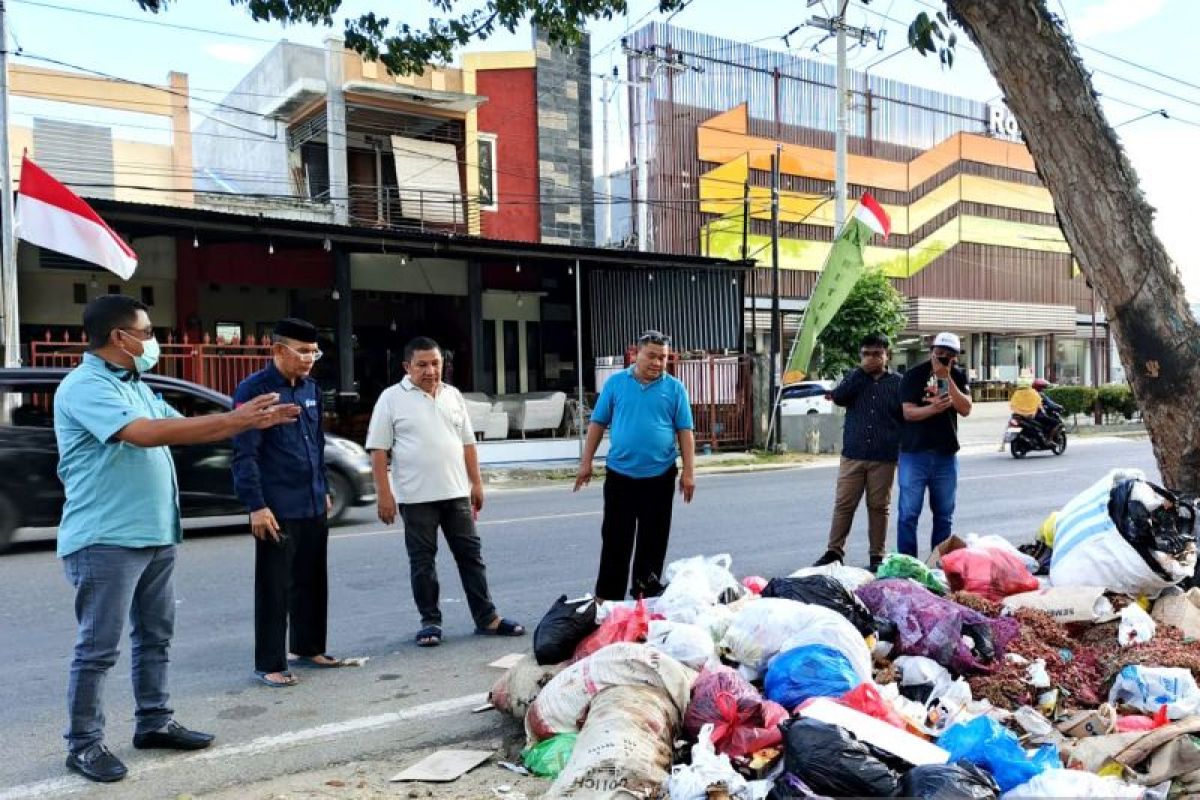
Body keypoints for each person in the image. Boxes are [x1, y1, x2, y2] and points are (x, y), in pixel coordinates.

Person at [53, 295, 299, 783]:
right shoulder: (84, 387)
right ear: (120, 337)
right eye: (146, 332)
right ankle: (83, 744)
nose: (152, 341)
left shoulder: (134, 383)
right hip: (106, 537)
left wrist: (244, 422)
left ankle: (154, 721)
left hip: (154, 531)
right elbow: (144, 433)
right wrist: (235, 420)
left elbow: (179, 427)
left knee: (156, 635)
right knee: (98, 647)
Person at [365, 336, 524, 647]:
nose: (430, 370)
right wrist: (384, 494)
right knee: (423, 563)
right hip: (416, 498)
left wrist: (476, 483)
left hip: (456, 494)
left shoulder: (452, 395)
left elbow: (467, 443)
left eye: (435, 363)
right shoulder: (391, 399)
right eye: (422, 364)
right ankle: (430, 623)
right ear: (406, 367)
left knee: (471, 557)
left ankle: (487, 618)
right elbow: (379, 450)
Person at [232, 318, 346, 689]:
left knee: (313, 579)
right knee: (274, 586)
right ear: (278, 350)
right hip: (276, 506)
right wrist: (256, 505)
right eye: (303, 351)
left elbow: (316, 443)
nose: (310, 358)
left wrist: (324, 487)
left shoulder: (311, 387)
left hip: (312, 499)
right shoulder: (255, 391)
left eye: (315, 352)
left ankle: (309, 646)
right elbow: (245, 454)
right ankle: (269, 663)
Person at [574, 330, 696, 601]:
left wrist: (689, 473)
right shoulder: (616, 384)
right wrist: (586, 463)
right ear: (635, 354)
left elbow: (685, 432)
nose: (657, 363)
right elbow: (597, 424)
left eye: (663, 358)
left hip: (660, 476)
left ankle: (645, 592)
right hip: (620, 475)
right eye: (652, 356)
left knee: (653, 540)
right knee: (616, 538)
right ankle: (608, 597)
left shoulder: (675, 388)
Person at [812, 334, 902, 572]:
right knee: (844, 504)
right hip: (853, 453)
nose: (872, 358)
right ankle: (834, 552)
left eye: (877, 353)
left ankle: (877, 556)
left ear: (887, 355)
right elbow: (839, 397)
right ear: (860, 356)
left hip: (884, 456)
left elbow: (905, 416)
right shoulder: (854, 378)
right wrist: (861, 372)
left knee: (879, 507)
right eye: (866, 354)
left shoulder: (898, 383)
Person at [896, 331, 973, 558]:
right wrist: (934, 409)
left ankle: (938, 563)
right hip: (914, 453)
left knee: (944, 514)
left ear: (955, 358)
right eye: (939, 353)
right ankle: (908, 563)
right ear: (931, 352)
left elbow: (966, 408)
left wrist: (945, 377)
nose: (942, 358)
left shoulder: (958, 376)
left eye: (948, 356)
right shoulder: (913, 375)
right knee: (908, 513)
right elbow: (908, 412)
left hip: (945, 455)